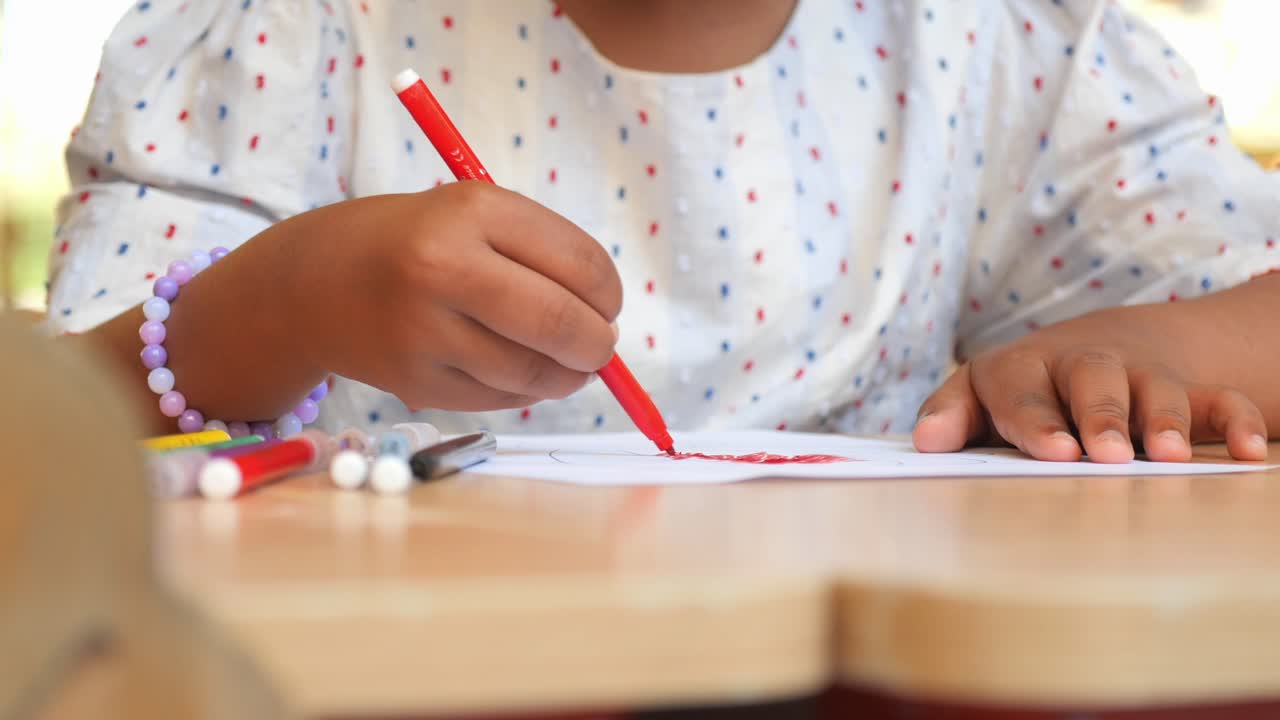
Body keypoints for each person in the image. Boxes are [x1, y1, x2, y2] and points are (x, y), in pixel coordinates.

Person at [49, 0, 1280, 463]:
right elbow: (50, 421)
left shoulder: (1010, 47)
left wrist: (1147, 352)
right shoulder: (289, 36)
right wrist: (280, 304)